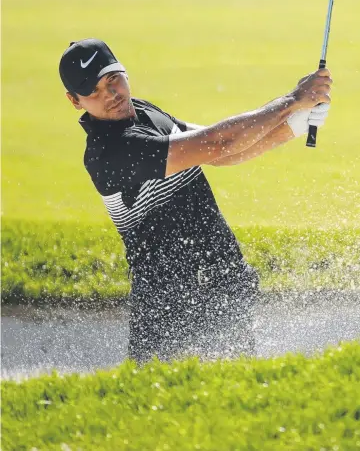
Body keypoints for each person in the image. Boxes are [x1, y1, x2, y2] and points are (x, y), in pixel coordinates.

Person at [59, 38, 332, 362]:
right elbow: (217, 143)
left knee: (235, 392)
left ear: (124, 72)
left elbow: (223, 152)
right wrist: (292, 100)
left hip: (224, 282)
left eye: (113, 79)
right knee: (163, 401)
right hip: (170, 308)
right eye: (94, 91)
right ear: (75, 101)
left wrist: (294, 124)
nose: (112, 95)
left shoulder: (144, 112)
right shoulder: (110, 153)